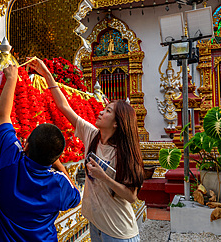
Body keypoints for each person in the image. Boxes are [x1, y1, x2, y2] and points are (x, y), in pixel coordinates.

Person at [27, 58, 144, 242]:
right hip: (96, 225)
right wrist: (47, 74)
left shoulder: (122, 152)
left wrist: (103, 177)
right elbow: (64, 107)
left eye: (107, 111)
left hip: (119, 232)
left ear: (116, 123)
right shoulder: (92, 135)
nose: (100, 112)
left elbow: (131, 196)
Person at [0, 65, 81, 241]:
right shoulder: (59, 183)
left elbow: (2, 116)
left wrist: (11, 78)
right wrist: (59, 164)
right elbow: (76, 196)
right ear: (55, 158)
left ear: (25, 146)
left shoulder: (11, 161)